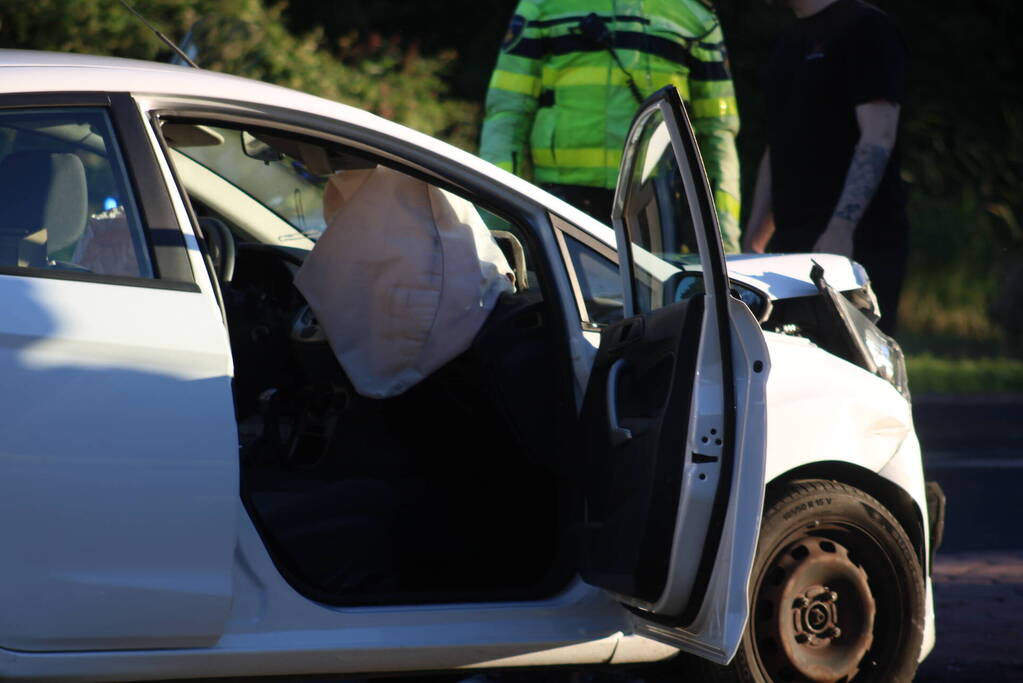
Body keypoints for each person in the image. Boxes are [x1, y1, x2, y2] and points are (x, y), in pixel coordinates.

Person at [480, 0, 742, 253]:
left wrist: (724, 244)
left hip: (654, 205)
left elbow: (717, 133)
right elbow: (508, 114)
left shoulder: (696, 16)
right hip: (561, 203)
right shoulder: (543, 6)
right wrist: (497, 224)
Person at [743, 0, 909, 334]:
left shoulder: (866, 27)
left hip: (856, 246)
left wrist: (842, 226)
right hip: (792, 247)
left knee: (859, 370)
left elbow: (879, 134)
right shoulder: (789, 41)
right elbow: (778, 147)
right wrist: (754, 243)